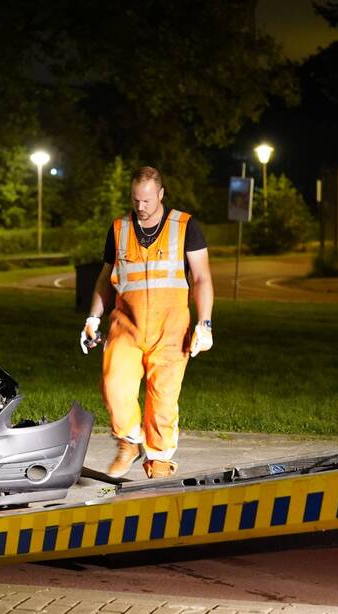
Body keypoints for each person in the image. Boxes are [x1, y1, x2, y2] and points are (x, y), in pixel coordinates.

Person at [79, 166, 213, 479]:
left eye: (148, 201)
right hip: (126, 325)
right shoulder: (118, 228)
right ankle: (129, 441)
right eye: (136, 200)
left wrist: (204, 324)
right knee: (115, 385)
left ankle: (159, 462)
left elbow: (203, 278)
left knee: (163, 400)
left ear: (161, 195)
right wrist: (92, 318)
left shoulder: (186, 227)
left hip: (171, 330)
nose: (141, 207)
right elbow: (105, 279)